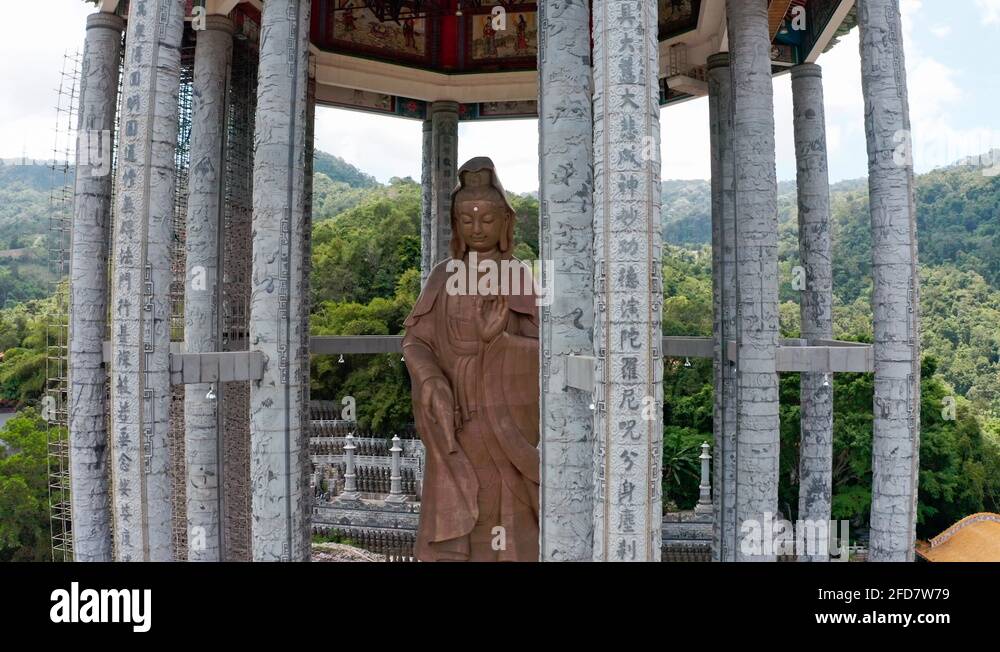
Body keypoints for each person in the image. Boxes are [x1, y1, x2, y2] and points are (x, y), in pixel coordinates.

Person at [402, 158, 539, 561]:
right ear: (455, 224)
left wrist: (499, 342)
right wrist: (431, 381)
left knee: (501, 504)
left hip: (502, 415)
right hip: (453, 413)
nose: (476, 229)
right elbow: (415, 341)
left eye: (487, 219)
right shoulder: (442, 275)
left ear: (505, 223)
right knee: (457, 499)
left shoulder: (517, 276)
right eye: (466, 219)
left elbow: (546, 354)